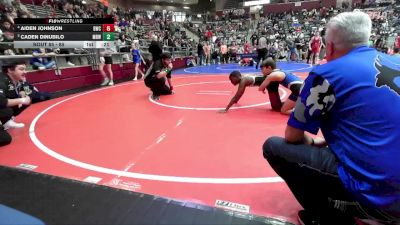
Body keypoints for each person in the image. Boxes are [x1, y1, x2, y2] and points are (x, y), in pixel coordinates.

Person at [262, 11, 400, 225]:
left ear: (330, 46)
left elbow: (292, 136)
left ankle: (325, 218)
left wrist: (314, 142)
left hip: (385, 195)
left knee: (273, 147)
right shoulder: (395, 62)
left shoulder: (327, 74)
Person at [0, 59, 32, 146]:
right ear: (10, 70)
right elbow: (1, 101)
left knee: (27, 100)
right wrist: (21, 100)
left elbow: (21, 89)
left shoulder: (16, 79)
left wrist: (22, 95)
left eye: (25, 69)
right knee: (5, 139)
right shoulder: (2, 80)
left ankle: (6, 120)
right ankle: (5, 120)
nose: (25, 72)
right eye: (21, 69)